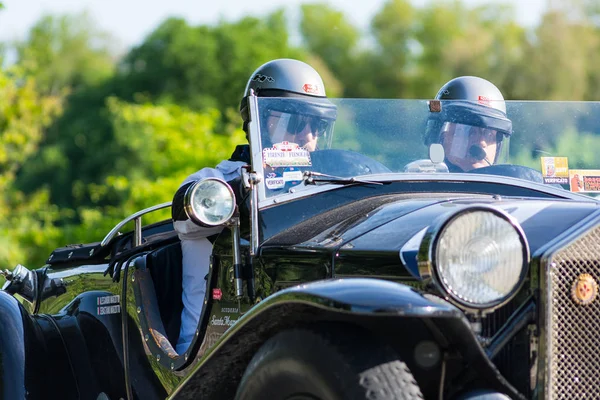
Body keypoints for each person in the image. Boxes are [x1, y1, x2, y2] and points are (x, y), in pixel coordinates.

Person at [170, 58, 336, 354]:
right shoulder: (216, 180)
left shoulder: (327, 183)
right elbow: (186, 218)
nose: (308, 136)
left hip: (301, 342)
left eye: (317, 125)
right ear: (259, 121)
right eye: (296, 121)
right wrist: (251, 185)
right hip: (212, 348)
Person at [423, 76, 513, 172]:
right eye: (470, 132)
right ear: (442, 139)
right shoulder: (420, 183)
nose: (482, 142)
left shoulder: (511, 186)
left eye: (489, 134)